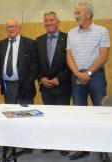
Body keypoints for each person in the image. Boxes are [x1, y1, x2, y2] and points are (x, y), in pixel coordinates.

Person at [67, 2, 110, 161]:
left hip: (96, 77)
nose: (75, 15)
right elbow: (69, 56)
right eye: (75, 12)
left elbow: (104, 55)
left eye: (78, 12)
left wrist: (88, 73)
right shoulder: (71, 33)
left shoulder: (102, 31)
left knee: (101, 113)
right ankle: (82, 148)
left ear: (88, 14)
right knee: (80, 114)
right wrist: (78, 73)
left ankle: (103, 150)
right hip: (76, 77)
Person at [35, 11, 71, 156]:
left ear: (58, 22)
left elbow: (71, 64)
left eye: (51, 20)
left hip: (62, 85)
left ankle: (64, 144)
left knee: (62, 117)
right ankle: (50, 143)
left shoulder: (67, 38)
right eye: (46, 20)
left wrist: (59, 79)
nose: (48, 23)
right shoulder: (39, 40)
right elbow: (36, 63)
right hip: (46, 86)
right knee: (48, 116)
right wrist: (41, 78)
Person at [0, 18, 38, 105]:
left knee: (26, 115)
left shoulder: (30, 43)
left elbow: (34, 65)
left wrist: (28, 82)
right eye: (9, 27)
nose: (11, 29)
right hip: (8, 86)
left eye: (13, 26)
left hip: (26, 86)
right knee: (10, 113)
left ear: (19, 28)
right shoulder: (1, 44)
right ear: (6, 29)